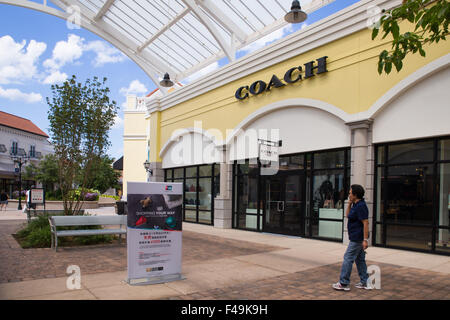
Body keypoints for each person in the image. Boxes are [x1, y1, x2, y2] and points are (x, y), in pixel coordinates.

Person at [332, 184, 372, 291]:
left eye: (350, 193)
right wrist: (349, 204)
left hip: (357, 238)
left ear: (355, 195)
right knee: (360, 260)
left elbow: (366, 223)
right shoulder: (355, 204)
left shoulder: (361, 206)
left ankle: (343, 283)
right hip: (355, 237)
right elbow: (348, 215)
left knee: (348, 258)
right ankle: (365, 282)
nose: (348, 194)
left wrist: (365, 240)